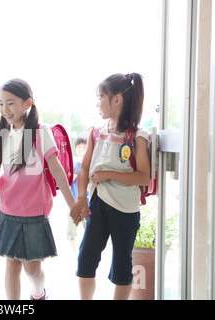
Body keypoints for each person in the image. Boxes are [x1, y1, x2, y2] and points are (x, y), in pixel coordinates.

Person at [0, 78, 75, 300]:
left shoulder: (41, 132)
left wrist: (73, 203)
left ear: (27, 104)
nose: (5, 109)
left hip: (35, 213)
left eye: (10, 103)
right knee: (11, 265)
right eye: (1, 103)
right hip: (8, 211)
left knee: (32, 269)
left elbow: (57, 170)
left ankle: (38, 292)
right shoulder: (3, 133)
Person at [70, 73, 151, 300]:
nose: (97, 104)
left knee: (122, 266)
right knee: (85, 259)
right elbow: (84, 169)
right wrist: (82, 199)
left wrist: (108, 174)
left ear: (117, 100)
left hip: (125, 209)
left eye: (101, 97)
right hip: (98, 204)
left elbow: (144, 177)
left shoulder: (137, 136)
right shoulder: (96, 133)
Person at [67, 133, 88, 254]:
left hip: (87, 203)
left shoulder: (90, 165)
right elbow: (67, 182)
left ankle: (84, 253)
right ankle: (76, 254)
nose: (81, 150)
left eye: (84, 147)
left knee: (88, 231)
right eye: (79, 147)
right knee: (71, 232)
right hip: (73, 203)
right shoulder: (73, 164)